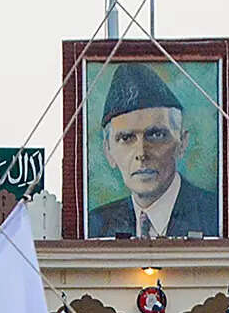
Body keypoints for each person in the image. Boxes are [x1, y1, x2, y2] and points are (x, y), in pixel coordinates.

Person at [86, 63, 220, 239]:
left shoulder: (215, 216)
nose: (141, 153)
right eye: (126, 138)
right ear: (108, 151)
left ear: (182, 143)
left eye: (156, 135)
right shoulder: (96, 225)